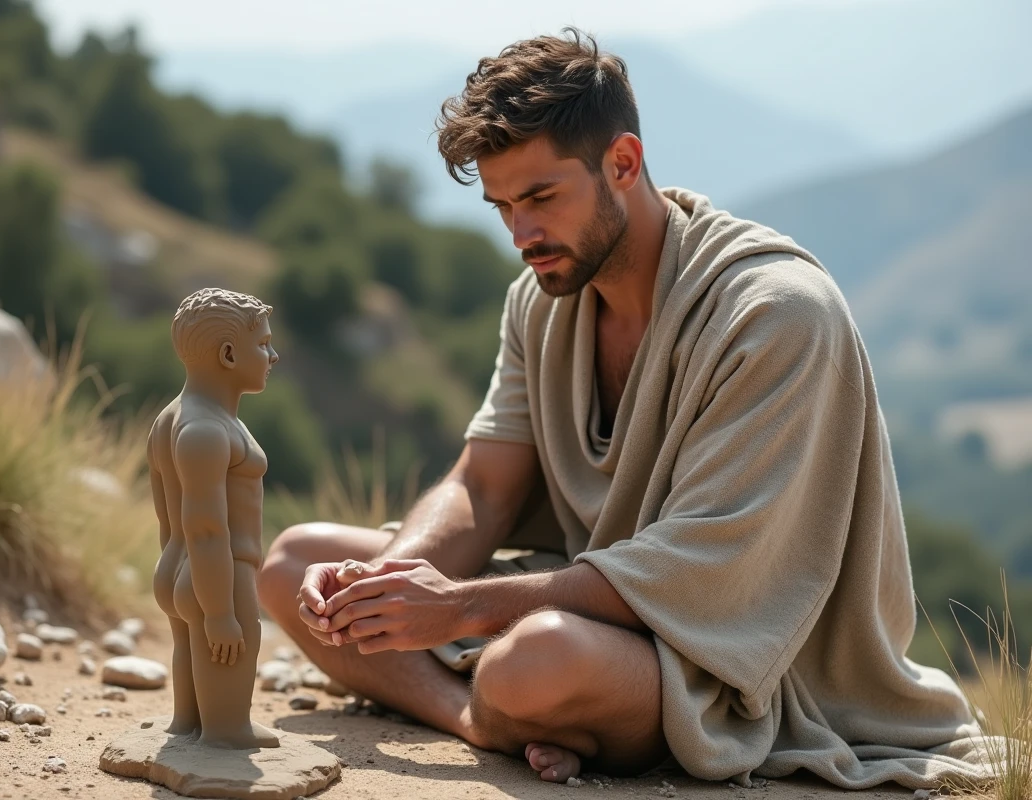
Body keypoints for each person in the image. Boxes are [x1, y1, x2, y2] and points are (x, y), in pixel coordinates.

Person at [258, 28, 992, 789]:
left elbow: (700, 577)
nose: (522, 235)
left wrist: (457, 610)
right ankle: (474, 717)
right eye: (503, 206)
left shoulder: (775, 315)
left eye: (541, 197)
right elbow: (484, 486)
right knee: (295, 563)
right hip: (596, 612)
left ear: (623, 162)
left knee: (534, 658)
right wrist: (393, 588)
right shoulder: (538, 302)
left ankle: (509, 703)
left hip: (739, 661)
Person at [150, 288, 281, 749]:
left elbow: (168, 514)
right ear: (228, 354)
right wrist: (222, 611)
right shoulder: (207, 429)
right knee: (227, 649)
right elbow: (208, 529)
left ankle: (188, 723)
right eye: (263, 345)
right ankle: (225, 732)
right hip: (219, 571)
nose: (273, 354)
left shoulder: (170, 419)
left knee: (191, 648)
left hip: (178, 562)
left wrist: (180, 575)